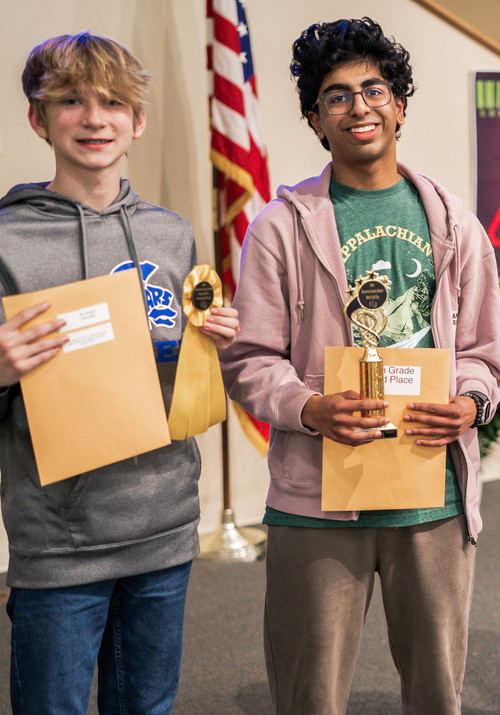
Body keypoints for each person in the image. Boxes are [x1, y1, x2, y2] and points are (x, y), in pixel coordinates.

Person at [218, 17, 500, 714]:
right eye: (337, 96)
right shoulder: (281, 226)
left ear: (399, 105)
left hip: (430, 496)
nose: (359, 106)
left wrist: (467, 403)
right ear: (317, 120)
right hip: (316, 502)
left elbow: (483, 359)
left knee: (437, 695)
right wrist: (310, 407)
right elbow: (250, 358)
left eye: (373, 88)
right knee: (309, 695)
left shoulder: (454, 224)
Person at [0, 33, 239, 714]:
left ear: (137, 122)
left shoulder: (171, 234)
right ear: (38, 119)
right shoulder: (6, 241)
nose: (94, 118)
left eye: (112, 102)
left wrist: (213, 340)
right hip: (60, 543)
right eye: (71, 100)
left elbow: (183, 368)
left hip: (163, 525)